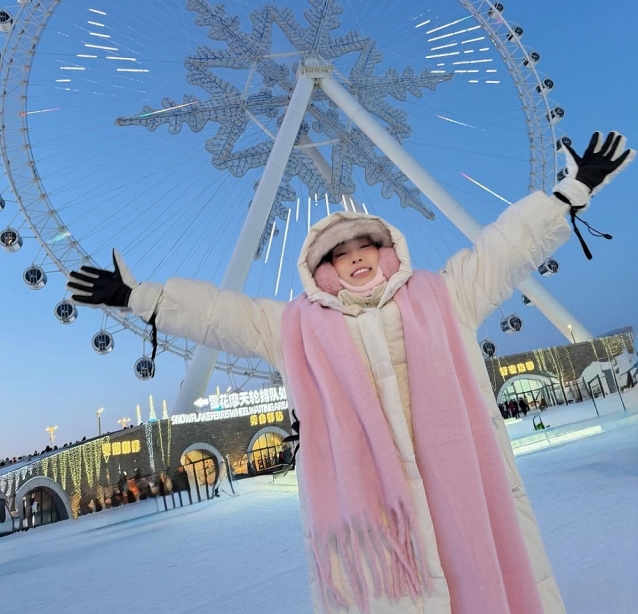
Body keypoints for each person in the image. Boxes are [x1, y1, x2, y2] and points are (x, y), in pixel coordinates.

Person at [67, 131, 633, 614]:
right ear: (322, 267)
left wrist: (567, 194)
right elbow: (222, 316)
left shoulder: (444, 296)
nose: (358, 257)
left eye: (369, 245)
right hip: (379, 513)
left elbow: (502, 251)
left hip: (458, 483)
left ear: (390, 250)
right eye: (342, 253)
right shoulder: (296, 326)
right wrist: (142, 297)